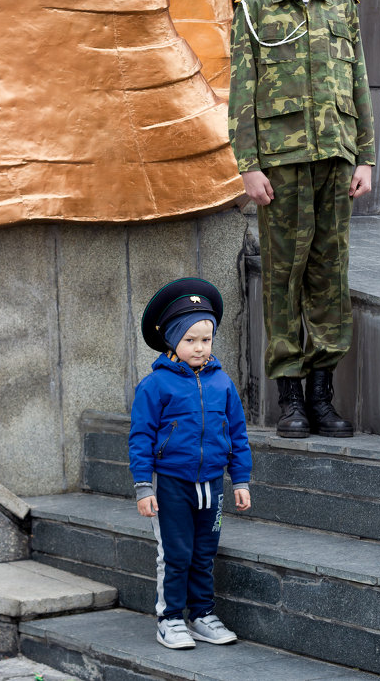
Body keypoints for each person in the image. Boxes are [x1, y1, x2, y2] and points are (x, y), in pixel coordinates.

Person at [228, 0, 375, 439]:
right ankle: (289, 397)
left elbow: (359, 84)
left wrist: (366, 155)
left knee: (330, 275)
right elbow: (241, 95)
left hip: (335, 158)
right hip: (282, 163)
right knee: (285, 275)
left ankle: (321, 397)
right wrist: (248, 166)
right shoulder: (254, 9)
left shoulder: (342, 7)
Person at [129, 277, 252, 650]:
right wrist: (143, 487)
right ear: (171, 341)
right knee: (176, 553)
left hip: (211, 484)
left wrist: (241, 481)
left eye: (206, 339)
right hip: (171, 485)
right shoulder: (155, 386)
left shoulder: (223, 384)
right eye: (190, 340)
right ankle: (170, 619)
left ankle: (201, 615)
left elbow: (238, 434)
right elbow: (141, 438)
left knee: (204, 552)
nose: (199, 348)